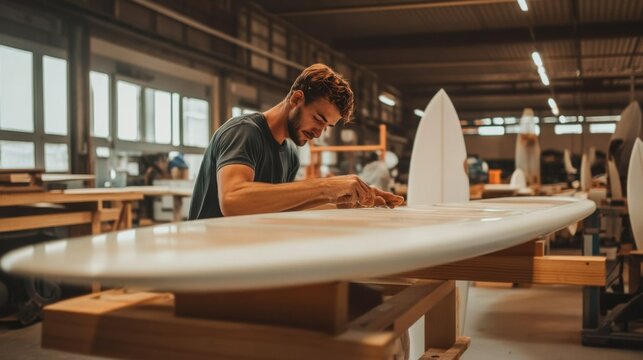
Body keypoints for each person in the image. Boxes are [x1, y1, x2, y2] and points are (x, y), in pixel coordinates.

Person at [189, 64, 404, 220]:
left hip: (244, 257)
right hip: (209, 262)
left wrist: (345, 200)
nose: (319, 133)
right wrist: (326, 186)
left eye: (326, 126)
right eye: (318, 119)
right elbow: (232, 201)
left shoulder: (289, 153)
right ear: (296, 99)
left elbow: (282, 207)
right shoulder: (244, 132)